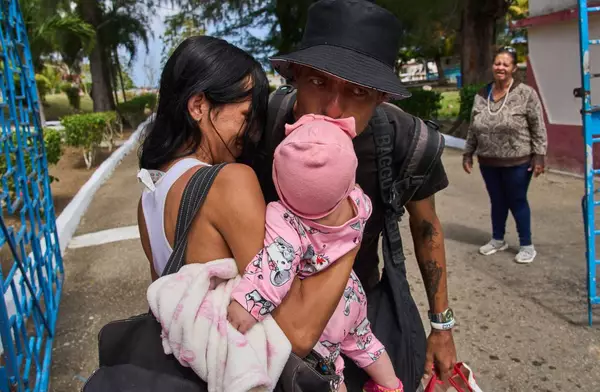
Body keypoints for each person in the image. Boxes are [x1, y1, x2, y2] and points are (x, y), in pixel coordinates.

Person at [241, 0, 458, 388]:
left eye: (357, 91)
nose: (333, 108)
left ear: (380, 98)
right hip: (273, 316)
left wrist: (441, 327)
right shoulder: (265, 128)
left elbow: (426, 227)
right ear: (297, 77)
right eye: (319, 83)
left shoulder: (407, 141)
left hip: (362, 313)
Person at [136, 35, 360, 370]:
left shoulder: (147, 200)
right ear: (198, 106)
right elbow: (297, 333)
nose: (253, 131)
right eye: (245, 114)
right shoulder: (229, 182)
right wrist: (350, 226)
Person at [228, 114, 402, 392]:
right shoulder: (357, 201)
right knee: (365, 342)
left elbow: (278, 264)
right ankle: (391, 386)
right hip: (351, 295)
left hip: (323, 309)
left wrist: (249, 304)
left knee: (330, 367)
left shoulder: (282, 216)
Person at [462, 46, 548, 264]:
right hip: (488, 160)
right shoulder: (483, 94)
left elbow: (538, 125)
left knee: (516, 200)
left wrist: (539, 155)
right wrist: (468, 153)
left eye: (505, 64)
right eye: (497, 63)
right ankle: (498, 239)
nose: (500, 67)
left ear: (514, 68)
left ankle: (526, 245)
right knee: (497, 200)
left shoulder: (526, 93)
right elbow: (473, 126)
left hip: (518, 160)